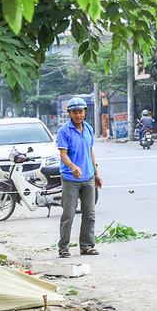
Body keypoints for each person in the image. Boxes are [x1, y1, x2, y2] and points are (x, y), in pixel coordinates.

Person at [56, 98, 103, 257]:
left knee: (89, 213)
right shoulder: (64, 131)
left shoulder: (88, 128)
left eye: (80, 111)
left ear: (85, 112)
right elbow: (63, 154)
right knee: (68, 214)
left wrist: (96, 173)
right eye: (74, 112)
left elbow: (90, 152)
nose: (78, 115)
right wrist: (73, 167)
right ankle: (63, 246)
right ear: (69, 113)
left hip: (88, 177)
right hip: (71, 179)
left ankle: (86, 246)